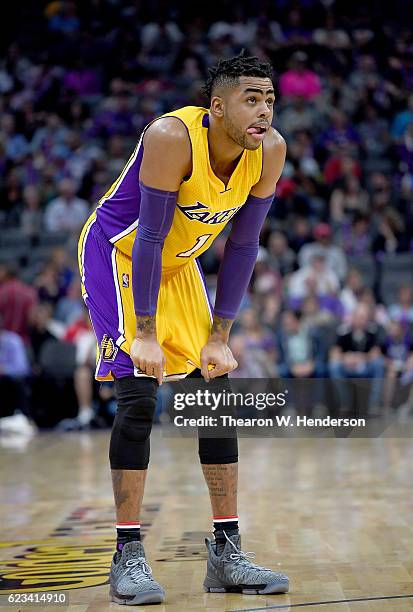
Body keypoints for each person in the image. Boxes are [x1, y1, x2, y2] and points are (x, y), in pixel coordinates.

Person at [78, 53, 289, 605]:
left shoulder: (270, 151)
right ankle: (127, 555)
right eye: (251, 98)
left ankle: (226, 552)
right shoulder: (171, 135)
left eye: (269, 99)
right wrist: (143, 333)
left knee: (214, 396)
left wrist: (220, 336)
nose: (264, 110)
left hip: (175, 267)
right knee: (139, 399)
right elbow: (147, 235)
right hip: (120, 256)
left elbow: (243, 245)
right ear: (216, 106)